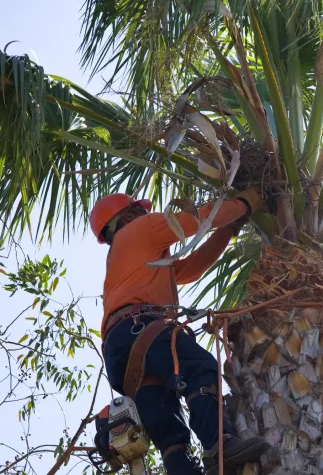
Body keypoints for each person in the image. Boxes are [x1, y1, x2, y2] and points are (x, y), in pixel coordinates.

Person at [90, 190, 270, 475]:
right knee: (200, 368)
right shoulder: (141, 230)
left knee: (169, 427)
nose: (145, 214)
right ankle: (218, 445)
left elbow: (190, 270)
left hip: (120, 353)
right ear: (128, 216)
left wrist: (229, 230)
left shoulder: (129, 255)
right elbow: (196, 220)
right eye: (139, 210)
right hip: (140, 329)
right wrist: (246, 204)